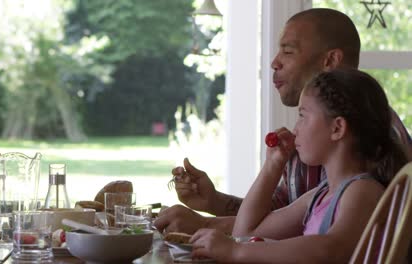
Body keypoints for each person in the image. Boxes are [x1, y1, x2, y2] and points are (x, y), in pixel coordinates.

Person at [153, 8, 412, 235]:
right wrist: (214, 201)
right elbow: (276, 218)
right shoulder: (311, 140)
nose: (274, 62)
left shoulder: (373, 139)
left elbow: (327, 240)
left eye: (287, 51)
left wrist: (206, 226)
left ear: (331, 61)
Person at [189, 69, 408, 262]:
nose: (295, 129)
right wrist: (272, 166)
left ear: (337, 128)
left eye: (303, 116)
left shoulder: (363, 190)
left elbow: (331, 249)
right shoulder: (320, 195)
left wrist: (237, 252)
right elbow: (245, 231)